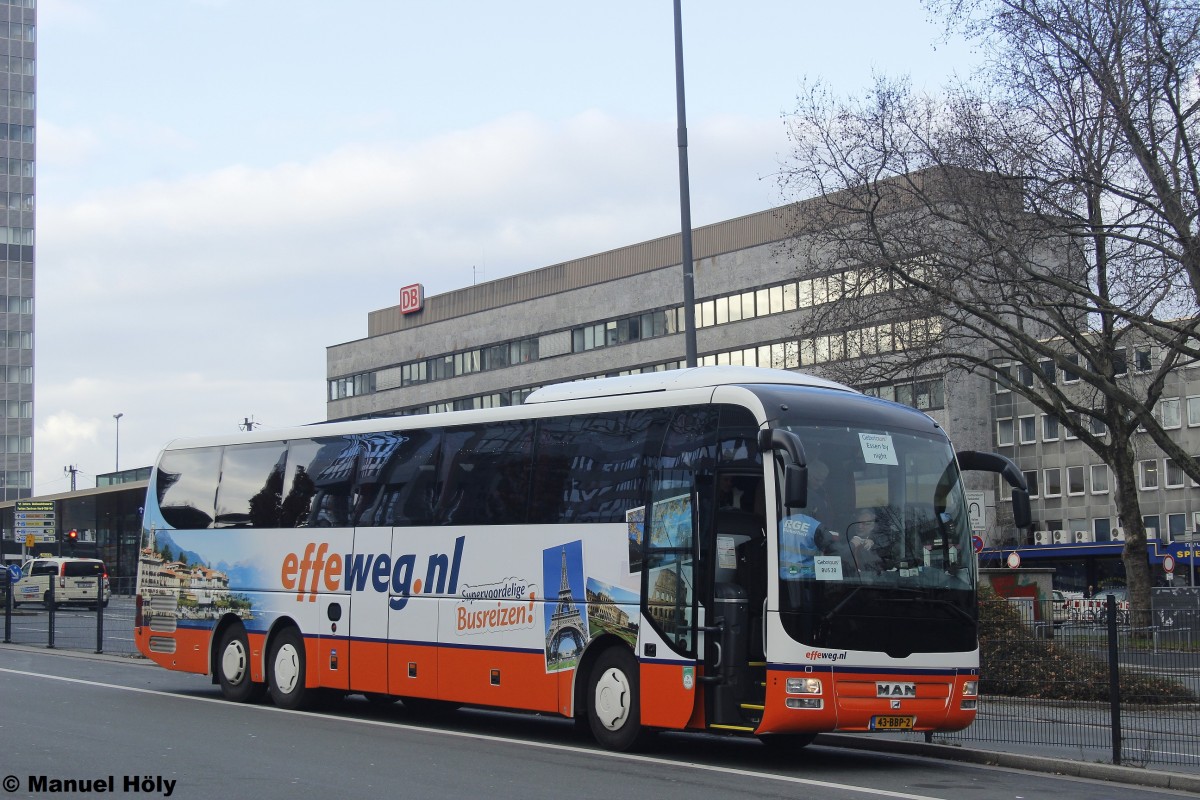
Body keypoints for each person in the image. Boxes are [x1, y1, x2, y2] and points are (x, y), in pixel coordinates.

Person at [849, 507, 887, 575]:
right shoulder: (845, 538)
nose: (860, 526)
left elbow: (883, 562)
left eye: (864, 524)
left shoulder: (880, 541)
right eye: (858, 523)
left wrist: (874, 544)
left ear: (872, 526)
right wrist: (850, 546)